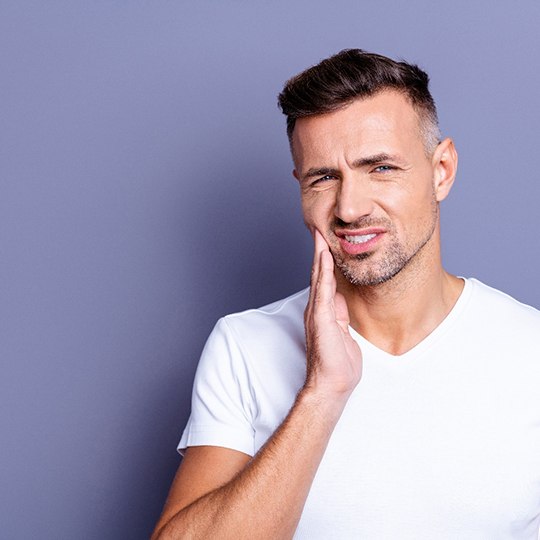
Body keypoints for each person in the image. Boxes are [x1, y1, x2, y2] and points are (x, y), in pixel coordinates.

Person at [152, 49, 540, 539]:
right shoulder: (244, 346)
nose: (350, 208)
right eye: (324, 178)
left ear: (441, 170)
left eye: (380, 168)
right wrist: (322, 392)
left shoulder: (531, 351)